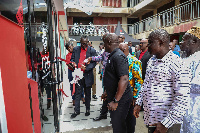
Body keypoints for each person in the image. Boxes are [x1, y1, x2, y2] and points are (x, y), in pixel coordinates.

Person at [134, 29, 191, 133]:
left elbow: (183, 98)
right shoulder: (152, 61)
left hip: (168, 124)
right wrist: (139, 102)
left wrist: (166, 123)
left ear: (160, 42)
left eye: (150, 42)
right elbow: (146, 84)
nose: (148, 46)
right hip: (152, 119)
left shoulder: (177, 63)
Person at [103, 33, 134, 133]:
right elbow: (114, 77)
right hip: (116, 97)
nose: (103, 45)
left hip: (121, 100)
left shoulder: (119, 56)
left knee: (119, 127)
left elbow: (124, 79)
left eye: (104, 43)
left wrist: (116, 101)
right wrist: (107, 91)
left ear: (108, 43)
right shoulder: (113, 55)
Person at [70, 35, 97, 118]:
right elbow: (72, 59)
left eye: (85, 43)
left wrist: (86, 68)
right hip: (78, 75)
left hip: (87, 75)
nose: (83, 45)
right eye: (82, 43)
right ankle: (76, 111)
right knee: (78, 93)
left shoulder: (92, 50)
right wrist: (73, 63)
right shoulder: (75, 49)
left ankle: (87, 109)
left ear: (88, 42)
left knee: (87, 94)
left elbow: (94, 62)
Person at [119, 43, 143, 132]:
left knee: (130, 120)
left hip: (130, 96)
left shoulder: (134, 61)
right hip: (120, 95)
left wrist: (135, 97)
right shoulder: (118, 60)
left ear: (125, 50)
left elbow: (138, 81)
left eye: (120, 50)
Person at [180, 26, 200, 133]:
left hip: (196, 106)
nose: (181, 43)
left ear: (194, 41)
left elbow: (197, 85)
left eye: (184, 40)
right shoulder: (186, 59)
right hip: (187, 107)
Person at [87, 33, 110, 121]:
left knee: (110, 96)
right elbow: (100, 57)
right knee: (105, 95)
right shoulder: (105, 51)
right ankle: (103, 114)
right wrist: (91, 58)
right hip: (105, 77)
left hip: (112, 79)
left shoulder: (115, 52)